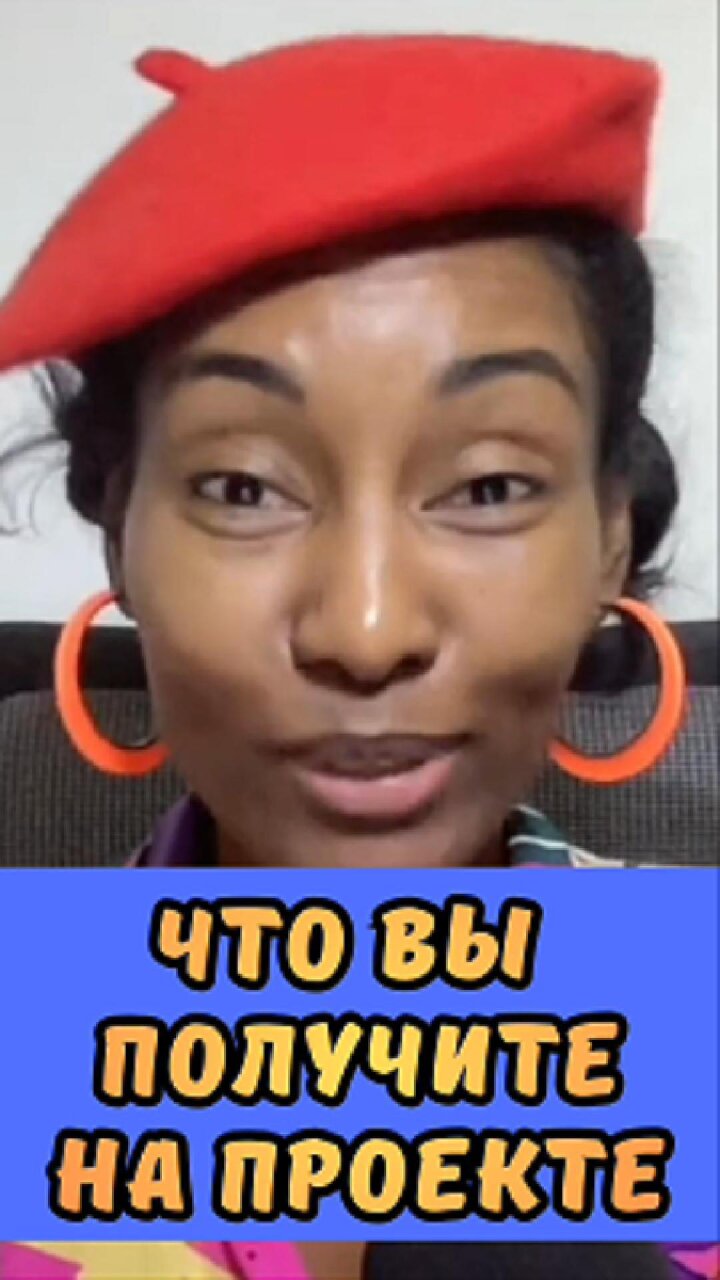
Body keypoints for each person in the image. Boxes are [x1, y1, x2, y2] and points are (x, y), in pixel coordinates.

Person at [0, 32, 715, 1280]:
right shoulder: (29, 1038)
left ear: (610, 537)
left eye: (490, 485)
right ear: (121, 532)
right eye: (241, 485)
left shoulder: (692, 1017)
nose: (366, 629)